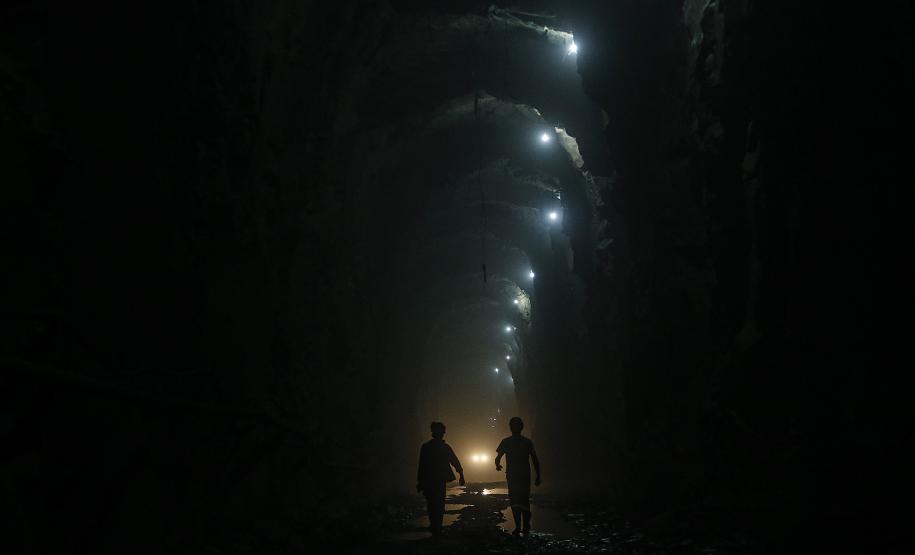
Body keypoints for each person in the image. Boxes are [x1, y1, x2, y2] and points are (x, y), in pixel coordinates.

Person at [417, 421, 465, 537]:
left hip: (429, 480)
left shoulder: (426, 447)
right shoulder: (444, 447)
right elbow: (454, 461)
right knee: (439, 503)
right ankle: (437, 526)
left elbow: (422, 466)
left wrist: (420, 482)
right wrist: (461, 474)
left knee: (431, 503)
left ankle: (434, 525)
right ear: (442, 433)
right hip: (439, 480)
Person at [495, 416, 541, 536]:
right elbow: (535, 459)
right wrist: (538, 475)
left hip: (517, 475)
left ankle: (522, 526)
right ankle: (521, 526)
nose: (515, 428)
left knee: (518, 500)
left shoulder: (508, 442)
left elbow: (498, 457)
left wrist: (497, 464)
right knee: (520, 501)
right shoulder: (526, 442)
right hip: (519, 475)